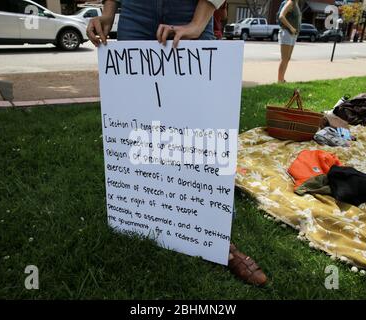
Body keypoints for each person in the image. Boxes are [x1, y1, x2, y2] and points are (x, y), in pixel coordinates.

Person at [87, 0, 267, 286]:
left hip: (190, 7)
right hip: (135, 10)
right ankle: (147, 216)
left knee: (200, 129)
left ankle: (217, 239)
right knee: (137, 119)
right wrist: (109, 12)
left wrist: (198, 23)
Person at [277, 0, 301, 83]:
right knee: (284, 59)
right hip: (286, 33)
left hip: (293, 34)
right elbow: (281, 16)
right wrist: (291, 27)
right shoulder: (291, 2)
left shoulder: (296, 3)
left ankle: (282, 79)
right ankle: (280, 80)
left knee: (287, 58)